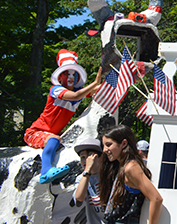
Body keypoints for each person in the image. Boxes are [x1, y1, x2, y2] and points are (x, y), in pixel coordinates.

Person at [24, 49, 102, 184]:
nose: (71, 77)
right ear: (60, 77)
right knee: (53, 140)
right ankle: (46, 172)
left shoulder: (79, 91)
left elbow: (98, 90)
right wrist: (94, 83)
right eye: (67, 73)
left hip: (57, 134)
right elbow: (77, 96)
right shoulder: (56, 90)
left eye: (74, 74)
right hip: (35, 132)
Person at [99, 125, 163, 224]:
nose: (104, 150)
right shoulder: (121, 165)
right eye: (104, 145)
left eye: (108, 144)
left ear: (124, 143)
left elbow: (156, 199)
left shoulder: (131, 167)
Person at [73, 138, 104, 224]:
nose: (86, 160)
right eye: (83, 157)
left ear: (101, 157)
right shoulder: (81, 178)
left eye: (90, 156)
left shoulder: (108, 174)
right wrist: (87, 171)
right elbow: (79, 198)